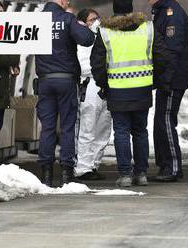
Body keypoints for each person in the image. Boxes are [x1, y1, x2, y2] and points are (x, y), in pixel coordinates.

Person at [91, 0, 170, 187]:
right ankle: (141, 174)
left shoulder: (105, 31)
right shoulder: (147, 28)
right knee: (140, 132)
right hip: (142, 88)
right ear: (131, 9)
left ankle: (125, 174)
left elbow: (97, 63)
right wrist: (152, 80)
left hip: (117, 90)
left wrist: (104, 84)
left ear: (114, 10)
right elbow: (162, 57)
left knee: (121, 132)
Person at [35, 0, 95, 187]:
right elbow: (87, 39)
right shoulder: (67, 19)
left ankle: (46, 174)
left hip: (45, 81)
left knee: (48, 127)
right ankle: (67, 174)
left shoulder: (34, 20)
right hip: (66, 80)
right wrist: (83, 25)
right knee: (68, 126)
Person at [147, 0, 188, 182]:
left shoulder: (172, 14)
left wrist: (166, 79)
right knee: (160, 121)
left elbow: (172, 51)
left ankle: (173, 167)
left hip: (173, 78)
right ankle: (165, 165)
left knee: (165, 121)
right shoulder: (161, 11)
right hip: (166, 77)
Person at [75, 8, 112, 181]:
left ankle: (94, 164)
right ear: (83, 22)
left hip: (105, 86)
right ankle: (83, 167)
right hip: (90, 85)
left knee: (103, 129)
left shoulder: (103, 36)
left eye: (97, 18)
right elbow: (82, 65)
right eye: (92, 19)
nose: (96, 21)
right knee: (88, 128)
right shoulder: (81, 41)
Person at [0, 0, 20, 162]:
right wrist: (11, 58)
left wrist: (12, 61)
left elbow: (14, 55)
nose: (0, 14)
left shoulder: (3, 31)